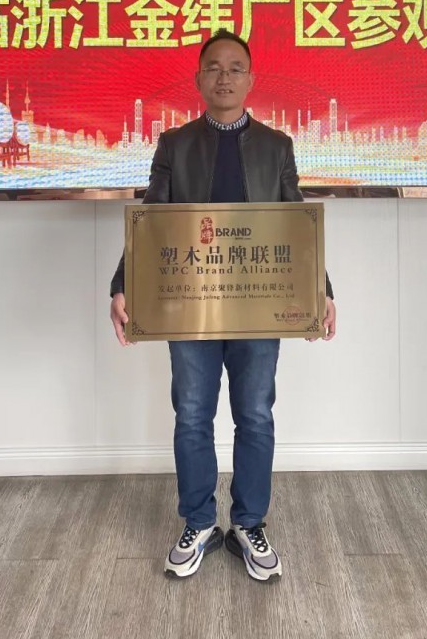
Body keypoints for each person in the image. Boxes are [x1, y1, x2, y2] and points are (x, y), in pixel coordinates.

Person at [109, 30, 336, 582]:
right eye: (214, 67)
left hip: (259, 305)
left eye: (235, 68)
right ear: (199, 79)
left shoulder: (277, 146)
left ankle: (249, 524)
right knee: (192, 415)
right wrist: (122, 284)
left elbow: (297, 224)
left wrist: (321, 291)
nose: (225, 77)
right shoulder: (175, 144)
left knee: (255, 414)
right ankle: (199, 522)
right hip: (191, 303)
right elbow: (151, 222)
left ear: (251, 80)